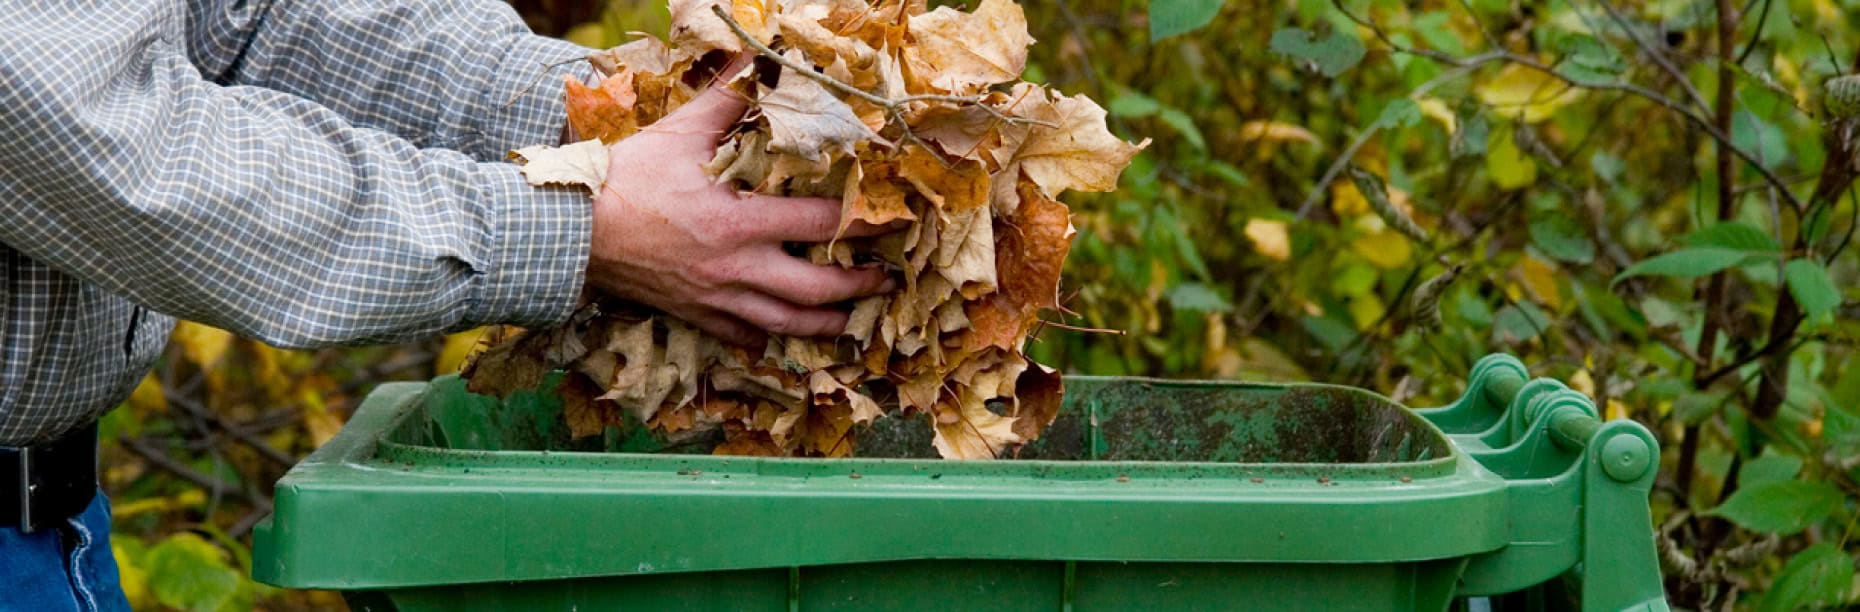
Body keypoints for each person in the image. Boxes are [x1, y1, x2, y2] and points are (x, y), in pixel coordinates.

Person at [0, 1, 891, 610]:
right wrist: (580, 225)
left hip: (55, 526)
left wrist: (617, 114)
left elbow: (257, 20)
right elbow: (72, 126)